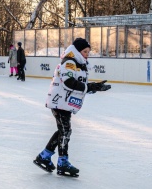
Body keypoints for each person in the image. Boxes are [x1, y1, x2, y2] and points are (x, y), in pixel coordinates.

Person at [33, 38, 111, 177]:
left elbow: (79, 83)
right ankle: (62, 162)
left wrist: (94, 87)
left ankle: (44, 156)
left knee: (63, 130)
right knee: (66, 131)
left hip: (65, 102)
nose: (87, 54)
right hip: (59, 102)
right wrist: (89, 87)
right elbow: (69, 82)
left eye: (88, 52)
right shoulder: (69, 62)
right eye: (84, 51)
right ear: (77, 51)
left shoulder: (79, 64)